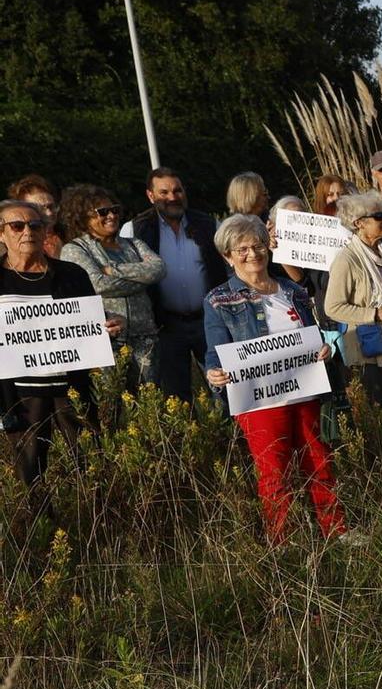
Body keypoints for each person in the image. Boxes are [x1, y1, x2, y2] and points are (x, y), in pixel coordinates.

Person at [200, 215, 346, 542]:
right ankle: (283, 542)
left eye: (258, 246)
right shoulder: (218, 300)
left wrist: (323, 348)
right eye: (242, 249)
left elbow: (313, 335)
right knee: (274, 472)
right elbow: (215, 350)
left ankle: (336, 530)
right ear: (227, 256)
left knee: (319, 462)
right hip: (258, 401)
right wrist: (214, 374)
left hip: (303, 392)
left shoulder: (293, 291)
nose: (252, 254)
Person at [2, 198, 106, 537]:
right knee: (31, 471)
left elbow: (91, 323)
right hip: (21, 394)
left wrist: (106, 326)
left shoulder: (71, 274)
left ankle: (100, 531)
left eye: (34, 225)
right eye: (17, 226)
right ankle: (45, 538)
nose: (27, 232)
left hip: (71, 388)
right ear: (2, 233)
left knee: (91, 465)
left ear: (46, 230)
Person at [124, 167, 228, 401]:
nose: (172, 197)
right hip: (165, 325)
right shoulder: (135, 229)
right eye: (164, 192)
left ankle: (232, 436)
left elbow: (231, 262)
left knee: (224, 388)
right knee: (176, 396)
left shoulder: (209, 224)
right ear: (150, 196)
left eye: (177, 190)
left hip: (208, 321)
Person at [59, 185, 164, 388]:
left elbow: (158, 269)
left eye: (115, 210)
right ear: (83, 217)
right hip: (107, 341)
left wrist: (112, 270)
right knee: (112, 405)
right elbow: (97, 284)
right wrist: (141, 280)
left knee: (151, 404)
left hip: (145, 338)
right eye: (103, 212)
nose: (111, 216)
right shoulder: (74, 250)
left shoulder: (133, 243)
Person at [323, 191, 382, 409]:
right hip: (364, 350)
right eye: (378, 216)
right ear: (359, 223)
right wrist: (376, 314)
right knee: (377, 413)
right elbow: (332, 307)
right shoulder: (346, 259)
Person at [8, 176, 63, 259]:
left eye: (51, 206)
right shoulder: (12, 245)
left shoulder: (69, 234)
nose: (49, 213)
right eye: (40, 208)